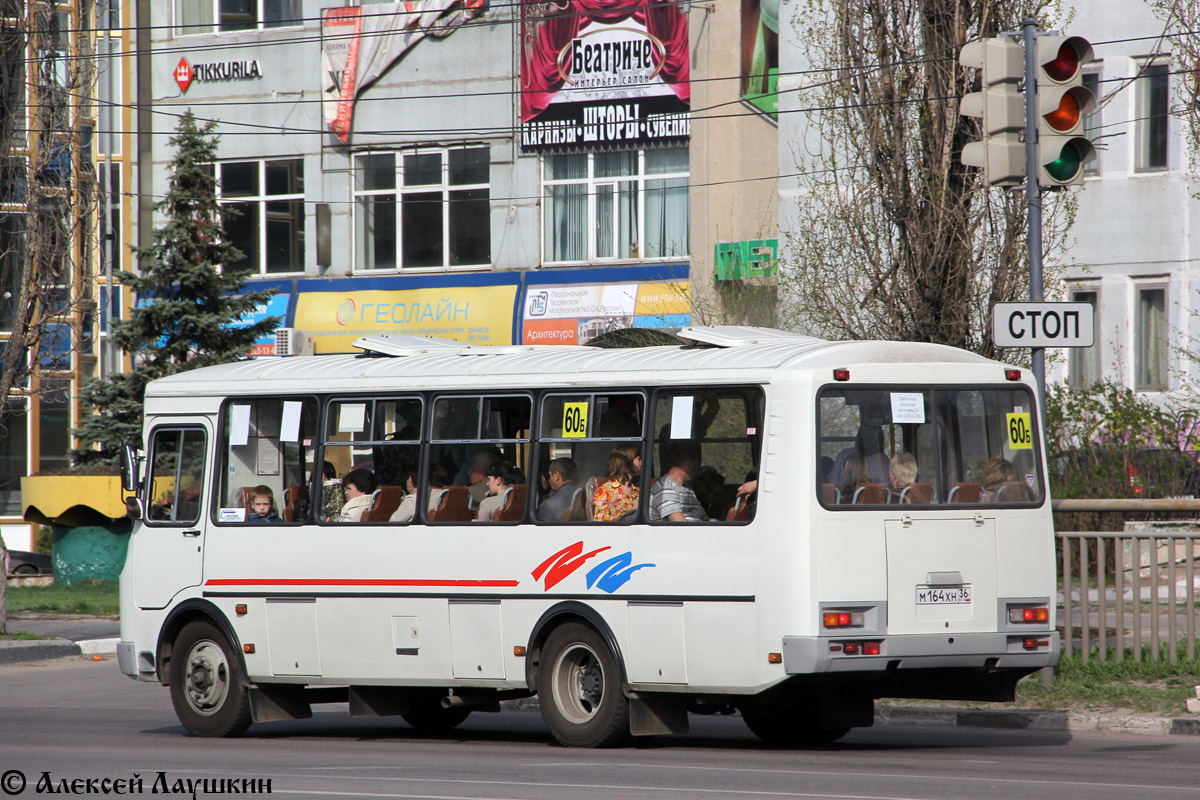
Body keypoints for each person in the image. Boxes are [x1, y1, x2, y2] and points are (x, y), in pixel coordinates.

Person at [649, 440, 708, 521]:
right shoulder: (665, 489)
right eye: (696, 463)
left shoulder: (687, 488)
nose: (697, 469)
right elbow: (679, 523)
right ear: (688, 463)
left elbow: (704, 517)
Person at [593, 452, 639, 521]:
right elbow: (600, 522)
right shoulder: (605, 491)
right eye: (639, 459)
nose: (642, 462)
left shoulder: (639, 490)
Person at [537, 457, 580, 521]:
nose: (549, 481)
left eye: (550, 475)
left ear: (557, 476)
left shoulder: (547, 506)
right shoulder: (586, 497)